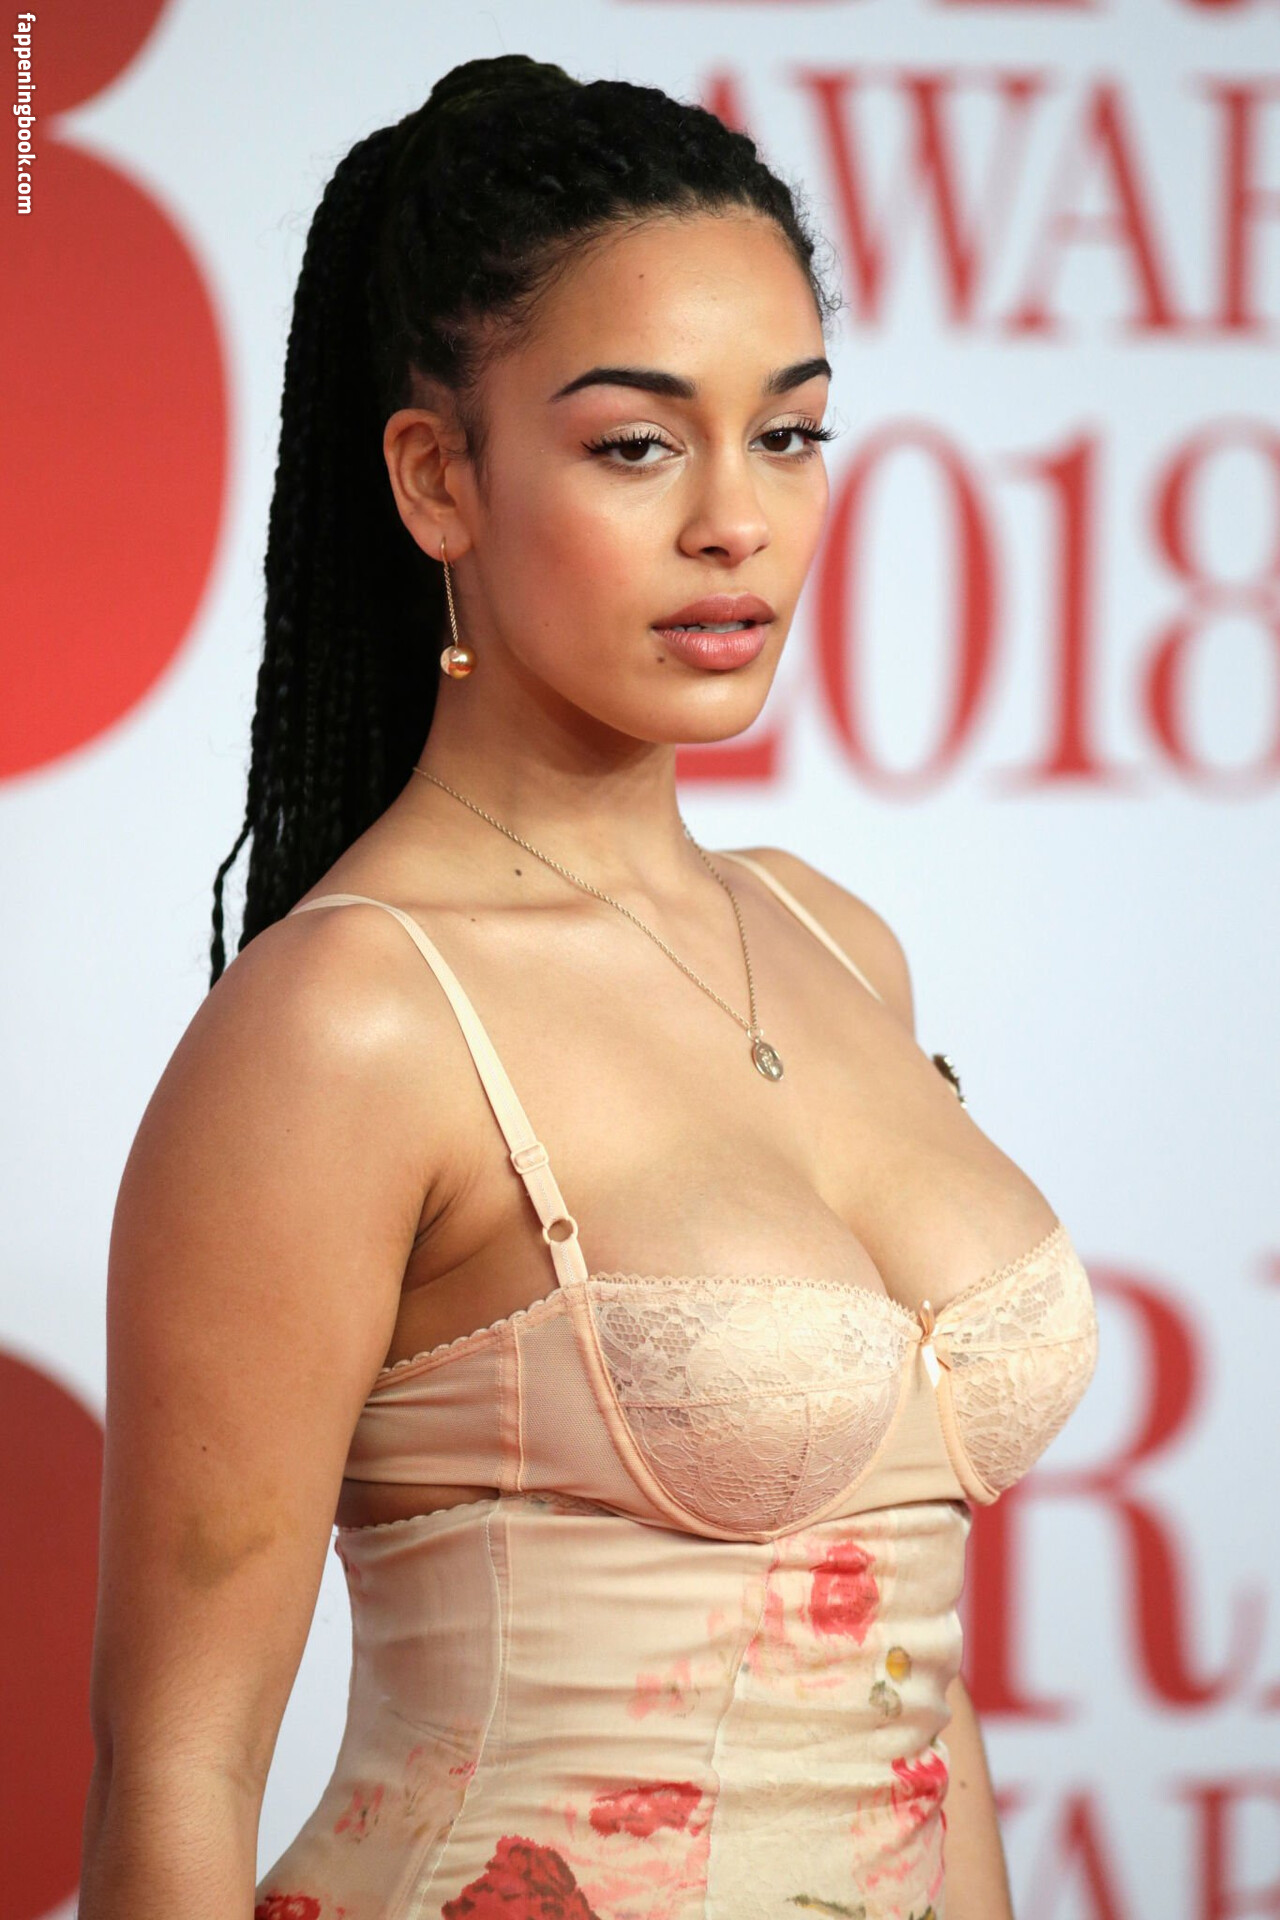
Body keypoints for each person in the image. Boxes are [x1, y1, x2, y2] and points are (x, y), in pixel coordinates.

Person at [78, 53, 1099, 1920]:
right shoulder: (351, 1022)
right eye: (638, 444)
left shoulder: (834, 941)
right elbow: (176, 1767)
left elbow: (916, 1708)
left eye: (788, 433)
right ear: (437, 478)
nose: (737, 521)